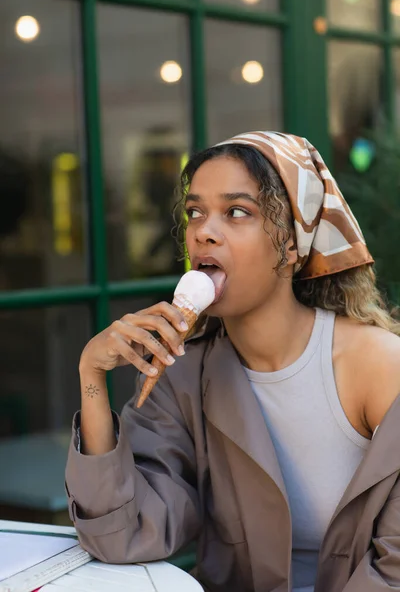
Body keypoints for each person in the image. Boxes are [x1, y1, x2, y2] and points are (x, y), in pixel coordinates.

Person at [65, 132, 400, 592]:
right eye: (195, 212)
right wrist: (92, 376)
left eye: (237, 212)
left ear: (291, 246)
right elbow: (123, 534)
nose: (204, 230)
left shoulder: (378, 365)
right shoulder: (183, 375)